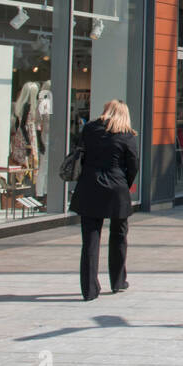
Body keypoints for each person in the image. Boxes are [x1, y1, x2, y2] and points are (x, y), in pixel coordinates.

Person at [68, 99, 140, 301]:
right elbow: (133, 165)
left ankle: (89, 289)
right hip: (117, 188)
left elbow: (80, 155)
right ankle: (118, 281)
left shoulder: (89, 129)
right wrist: (124, 183)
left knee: (90, 240)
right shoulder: (126, 135)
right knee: (119, 235)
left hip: (90, 186)